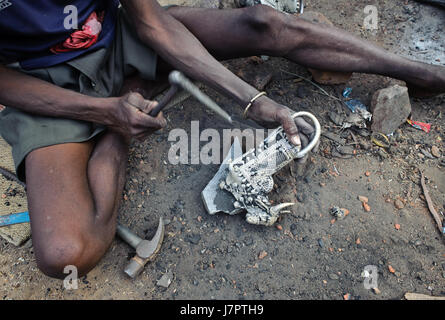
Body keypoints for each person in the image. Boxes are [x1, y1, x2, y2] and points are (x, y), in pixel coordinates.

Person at [0, 0, 443, 279]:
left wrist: (253, 101)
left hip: (120, 36)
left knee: (265, 24)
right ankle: (124, 118)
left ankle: (425, 73)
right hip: (46, 81)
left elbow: (150, 22)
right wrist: (106, 117)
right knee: (65, 254)